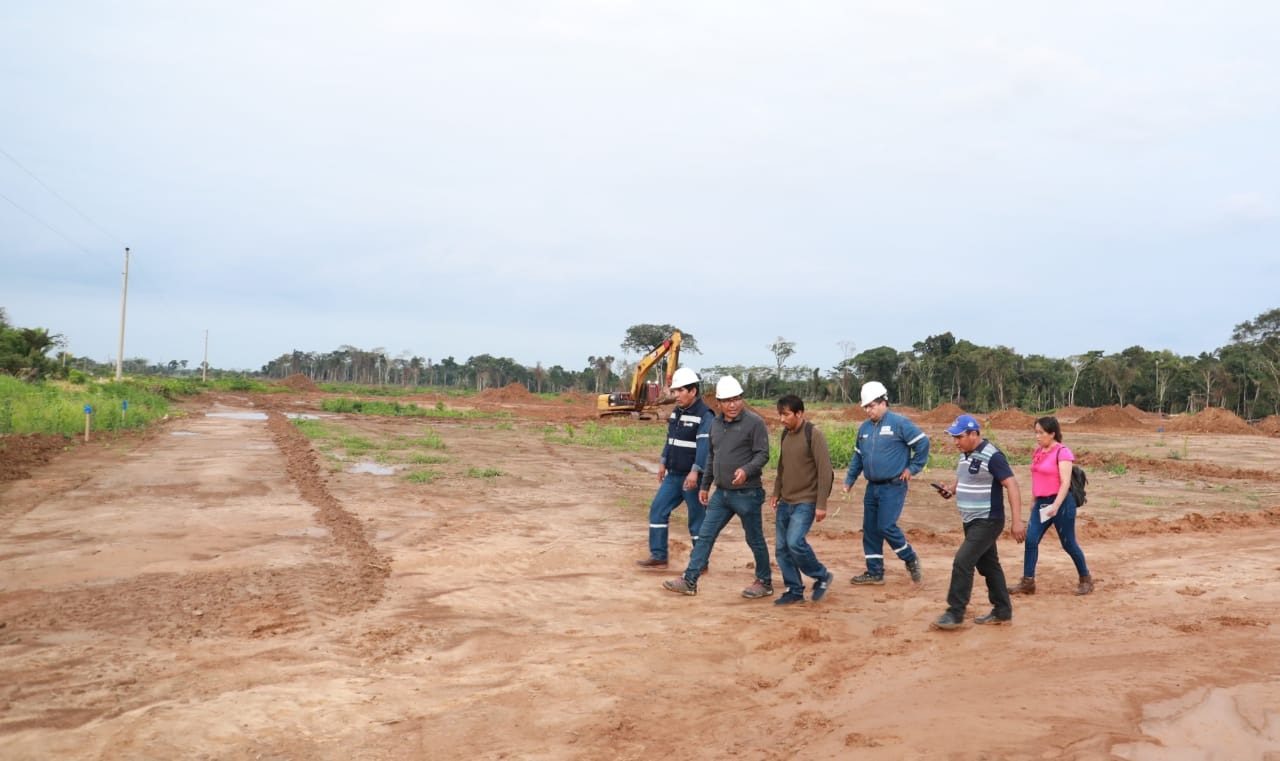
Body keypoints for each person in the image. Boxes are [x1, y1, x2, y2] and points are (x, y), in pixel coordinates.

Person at [663, 376, 773, 599]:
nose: (733, 405)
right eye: (727, 401)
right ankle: (690, 580)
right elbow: (712, 456)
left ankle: (764, 581)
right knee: (705, 535)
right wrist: (705, 485)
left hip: (747, 493)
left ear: (741, 399)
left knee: (754, 539)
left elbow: (763, 454)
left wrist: (746, 470)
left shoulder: (754, 423)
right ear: (719, 403)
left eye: (737, 399)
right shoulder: (716, 424)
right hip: (721, 494)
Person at [930, 414, 1022, 630]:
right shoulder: (965, 454)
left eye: (959, 437)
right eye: (954, 437)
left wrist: (1017, 521)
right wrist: (950, 490)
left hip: (988, 520)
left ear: (974, 434)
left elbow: (1012, 485)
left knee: (962, 561)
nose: (956, 442)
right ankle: (1002, 610)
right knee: (989, 565)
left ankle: (955, 612)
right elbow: (964, 479)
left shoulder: (993, 455)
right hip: (971, 521)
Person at [841, 381, 929, 585]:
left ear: (883, 402)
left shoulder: (899, 423)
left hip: (893, 485)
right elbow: (858, 457)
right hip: (872, 487)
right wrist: (849, 480)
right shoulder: (864, 428)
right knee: (870, 529)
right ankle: (875, 572)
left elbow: (923, 443)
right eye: (866, 407)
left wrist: (912, 468)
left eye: (871, 406)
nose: (867, 410)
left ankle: (910, 557)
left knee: (886, 526)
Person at [636, 367, 715, 570]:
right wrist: (663, 461)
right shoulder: (676, 413)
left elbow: (704, 447)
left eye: (680, 391)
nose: (676, 395)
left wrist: (695, 471)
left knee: (697, 520)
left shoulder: (705, 415)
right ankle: (659, 555)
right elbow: (670, 439)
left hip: (693, 478)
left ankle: (701, 562)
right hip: (674, 475)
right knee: (658, 510)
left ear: (693, 391)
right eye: (675, 391)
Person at [1011, 416, 1093, 596]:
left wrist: (1056, 504)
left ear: (1052, 433)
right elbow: (1037, 477)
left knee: (1069, 543)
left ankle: (1085, 578)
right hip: (1042, 503)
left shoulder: (1062, 452)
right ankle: (1028, 581)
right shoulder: (1039, 452)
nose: (1037, 437)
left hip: (1061, 504)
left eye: (1041, 433)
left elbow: (1064, 482)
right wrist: (1034, 500)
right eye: (1036, 433)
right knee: (1031, 540)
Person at [770, 395, 836, 606]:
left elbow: (825, 472)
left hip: (805, 501)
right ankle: (794, 589)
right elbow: (782, 467)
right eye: (780, 414)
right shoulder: (784, 435)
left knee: (794, 542)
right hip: (786, 502)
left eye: (786, 414)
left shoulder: (814, 435)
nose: (782, 419)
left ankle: (821, 575)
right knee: (781, 549)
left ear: (800, 413)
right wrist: (776, 492)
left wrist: (821, 504)